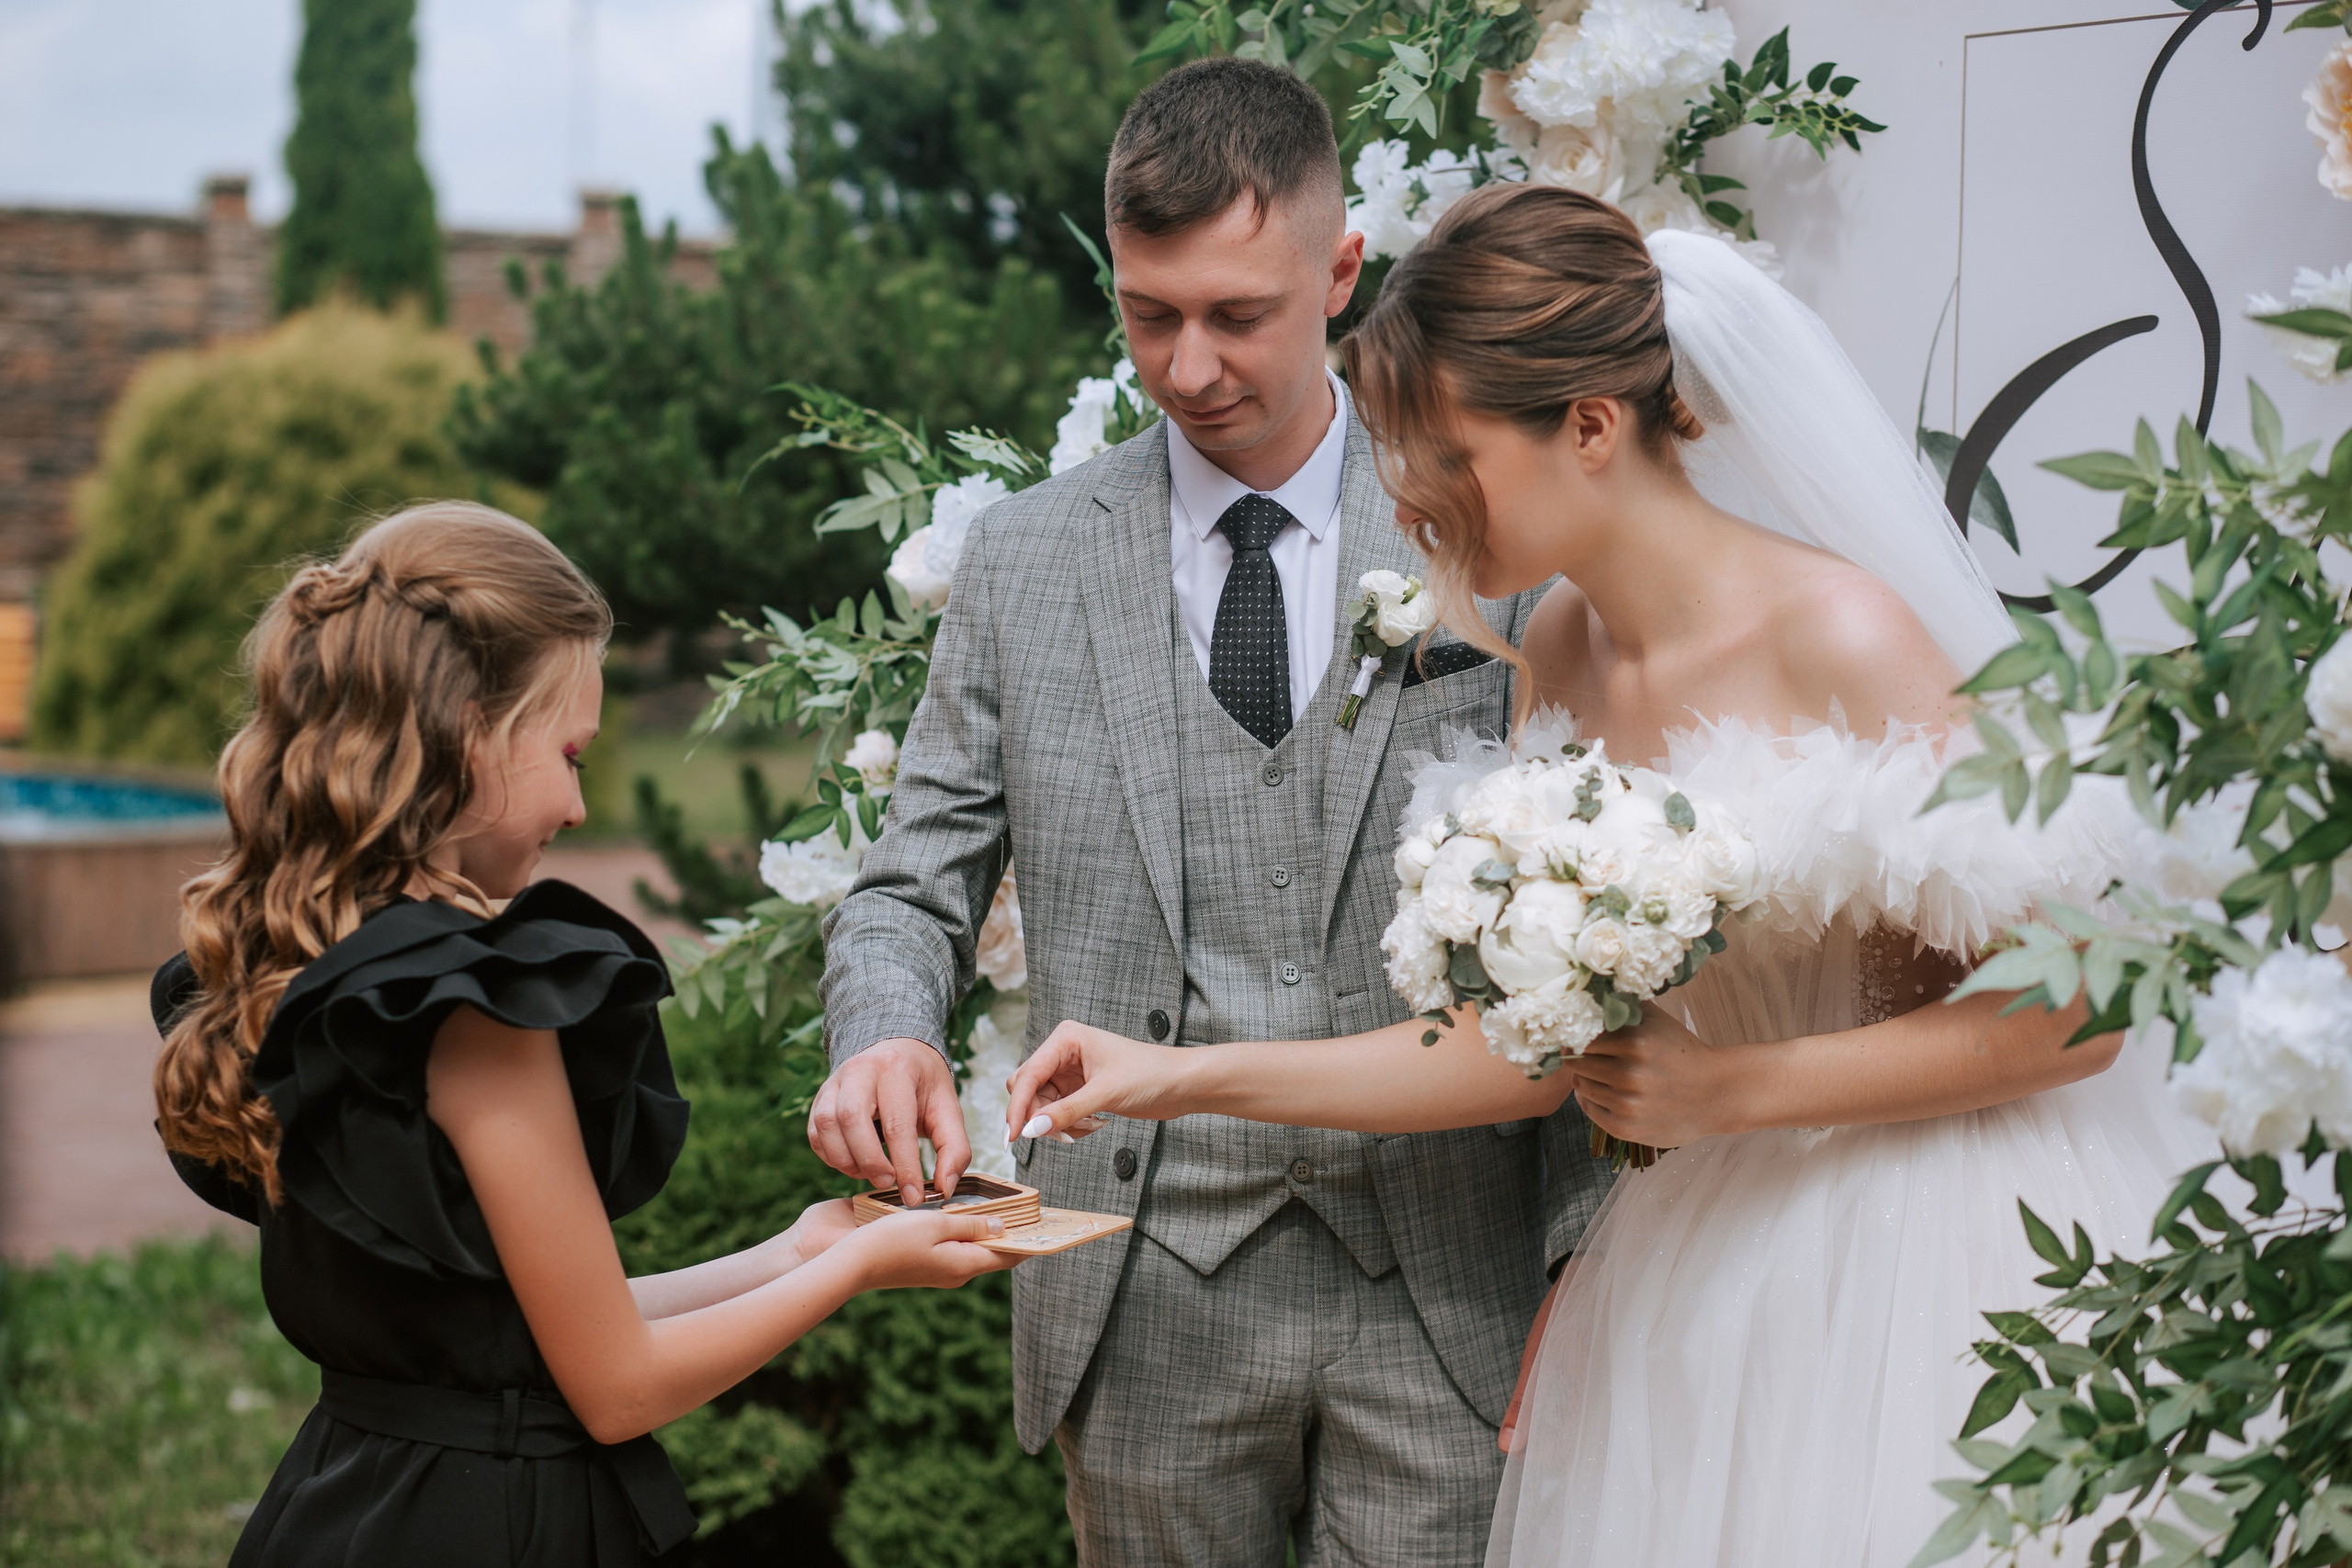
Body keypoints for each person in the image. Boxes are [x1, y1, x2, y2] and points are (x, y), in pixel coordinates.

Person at [1004, 186, 2212, 1567]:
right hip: (1702, 1262)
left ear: (1587, 424)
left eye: (1442, 450)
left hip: (1921, 1261)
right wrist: (1171, 1073)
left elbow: (2083, 1009)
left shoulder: (1846, 635)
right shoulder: (1566, 646)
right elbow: (1518, 1052)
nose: (1404, 492)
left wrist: (1736, 1089)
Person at [810, 58, 1612, 1568]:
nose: (1188, 366)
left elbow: (1588, 924)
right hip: (1139, 1289)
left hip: (1449, 1289)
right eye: (1148, 314)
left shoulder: (1502, 530)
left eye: (1238, 314)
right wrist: (889, 1034)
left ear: (1342, 272)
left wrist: (1581, 1255)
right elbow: (913, 881)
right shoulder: (1023, 564)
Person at [151, 502, 1013, 1567]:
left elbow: (513, 1331)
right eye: (569, 753)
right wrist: (858, 1272)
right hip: (497, 1527)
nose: (574, 803)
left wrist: (800, 1248)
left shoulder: (316, 968)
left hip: (348, 1502)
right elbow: (615, 1389)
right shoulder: (476, 1005)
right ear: (470, 732)